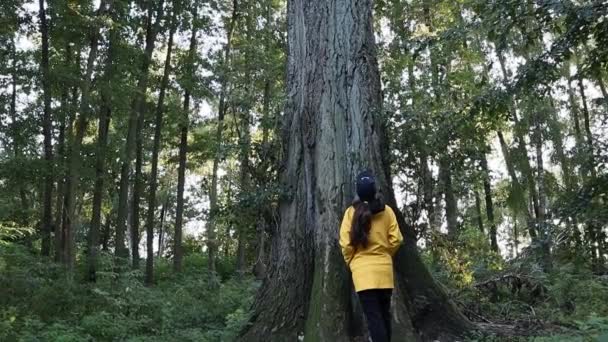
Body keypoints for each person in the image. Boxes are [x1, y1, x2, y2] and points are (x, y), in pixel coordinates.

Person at [339, 171, 403, 342]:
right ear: (375, 190)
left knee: (374, 318)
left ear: (358, 192)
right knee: (384, 315)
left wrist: (351, 262)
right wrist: (385, 255)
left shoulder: (350, 213)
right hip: (384, 271)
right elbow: (396, 239)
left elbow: (345, 244)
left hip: (362, 273)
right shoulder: (387, 211)